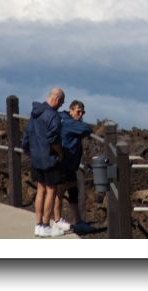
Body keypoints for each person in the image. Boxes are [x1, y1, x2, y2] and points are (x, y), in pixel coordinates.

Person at [20, 87, 66, 237]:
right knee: (51, 190)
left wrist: (28, 150)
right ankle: (46, 225)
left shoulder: (35, 112)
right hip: (49, 159)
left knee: (40, 189)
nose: (61, 106)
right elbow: (53, 138)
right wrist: (60, 154)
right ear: (57, 99)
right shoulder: (53, 116)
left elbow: (26, 134)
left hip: (36, 157)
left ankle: (38, 225)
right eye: (62, 103)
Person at [52, 99, 94, 234]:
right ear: (71, 110)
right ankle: (57, 221)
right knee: (59, 190)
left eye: (83, 112)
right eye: (78, 111)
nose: (80, 115)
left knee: (72, 190)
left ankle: (77, 221)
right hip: (63, 163)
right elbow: (87, 129)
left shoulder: (64, 119)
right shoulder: (70, 123)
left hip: (70, 164)